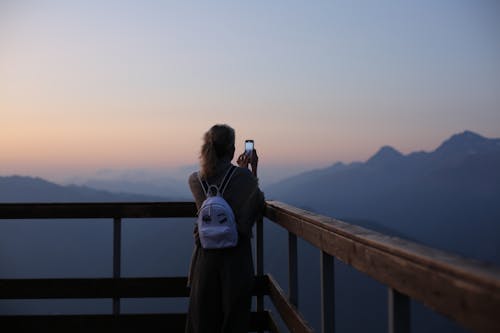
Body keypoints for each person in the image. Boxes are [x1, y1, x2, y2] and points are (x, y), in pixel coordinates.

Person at [185, 124, 265, 333]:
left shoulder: (195, 180)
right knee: (234, 321)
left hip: (205, 260)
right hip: (235, 261)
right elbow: (254, 207)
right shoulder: (244, 179)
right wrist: (251, 171)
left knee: (203, 321)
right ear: (231, 150)